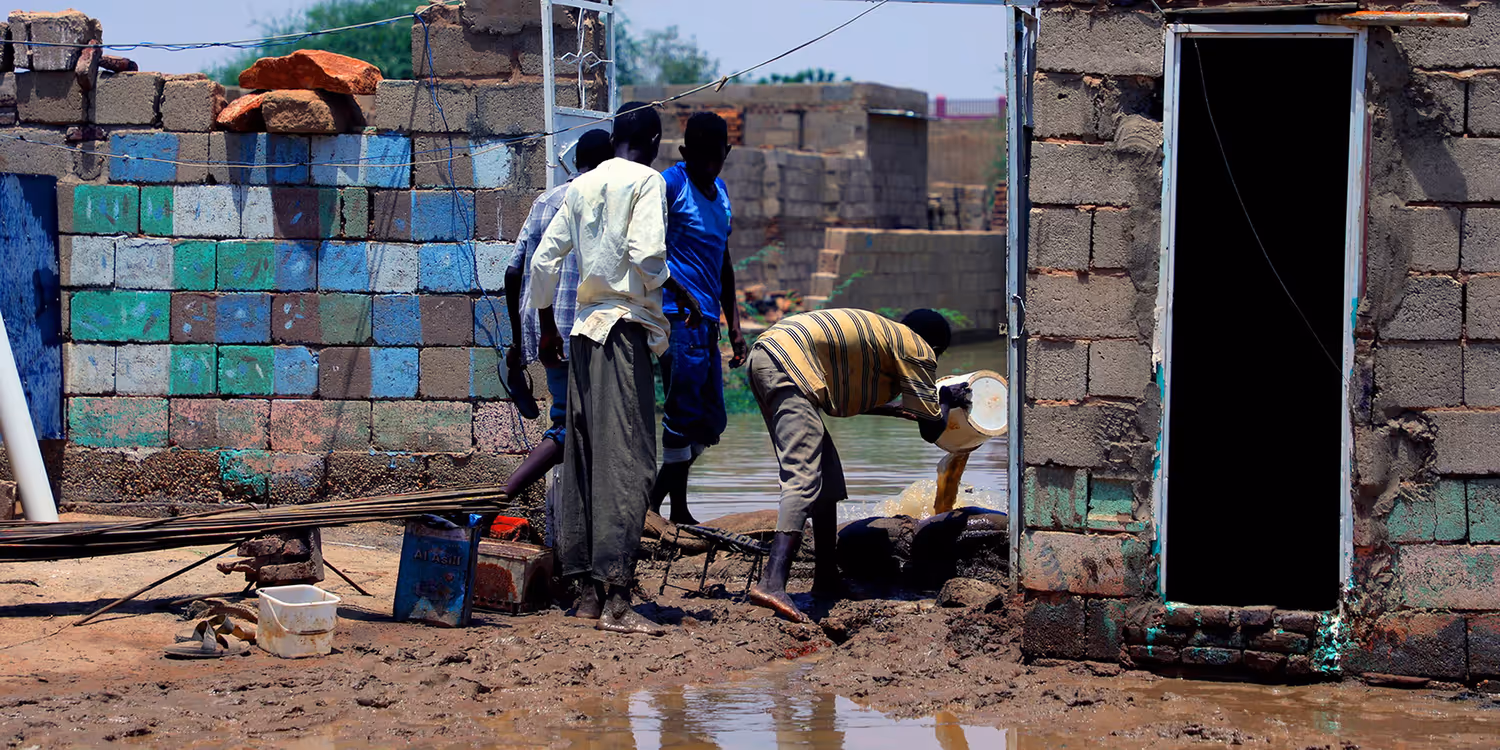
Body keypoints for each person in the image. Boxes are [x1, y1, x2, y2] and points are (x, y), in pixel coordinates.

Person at [528, 102, 703, 636]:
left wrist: (547, 326)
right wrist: (659, 297)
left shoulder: (581, 185)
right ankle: (620, 603)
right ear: (650, 140)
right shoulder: (647, 182)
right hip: (623, 333)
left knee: (584, 462)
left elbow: (542, 261)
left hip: (581, 335)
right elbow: (647, 253)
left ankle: (585, 595)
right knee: (630, 464)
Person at [744, 308, 970, 623]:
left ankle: (825, 579)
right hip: (787, 366)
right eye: (939, 354)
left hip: (774, 355)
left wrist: (897, 410)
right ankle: (772, 584)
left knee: (827, 478)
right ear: (935, 346)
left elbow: (841, 395)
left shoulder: (887, 337)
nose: (935, 359)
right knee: (804, 477)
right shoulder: (918, 347)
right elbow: (932, 430)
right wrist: (945, 397)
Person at [501, 129, 615, 514]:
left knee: (580, 428)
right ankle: (496, 501)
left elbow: (513, 272)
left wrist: (519, 342)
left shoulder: (545, 200)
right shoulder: (604, 200)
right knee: (570, 428)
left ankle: (577, 522)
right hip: (582, 329)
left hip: (544, 330)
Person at [650, 112, 747, 526]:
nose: (710, 164)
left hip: (708, 322)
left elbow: (724, 262)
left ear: (726, 153)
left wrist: (735, 326)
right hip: (677, 318)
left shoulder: (722, 192)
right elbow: (648, 250)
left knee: (711, 423)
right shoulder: (671, 186)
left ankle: (654, 501)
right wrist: (677, 294)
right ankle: (671, 508)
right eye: (701, 156)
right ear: (685, 153)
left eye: (717, 156)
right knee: (683, 414)